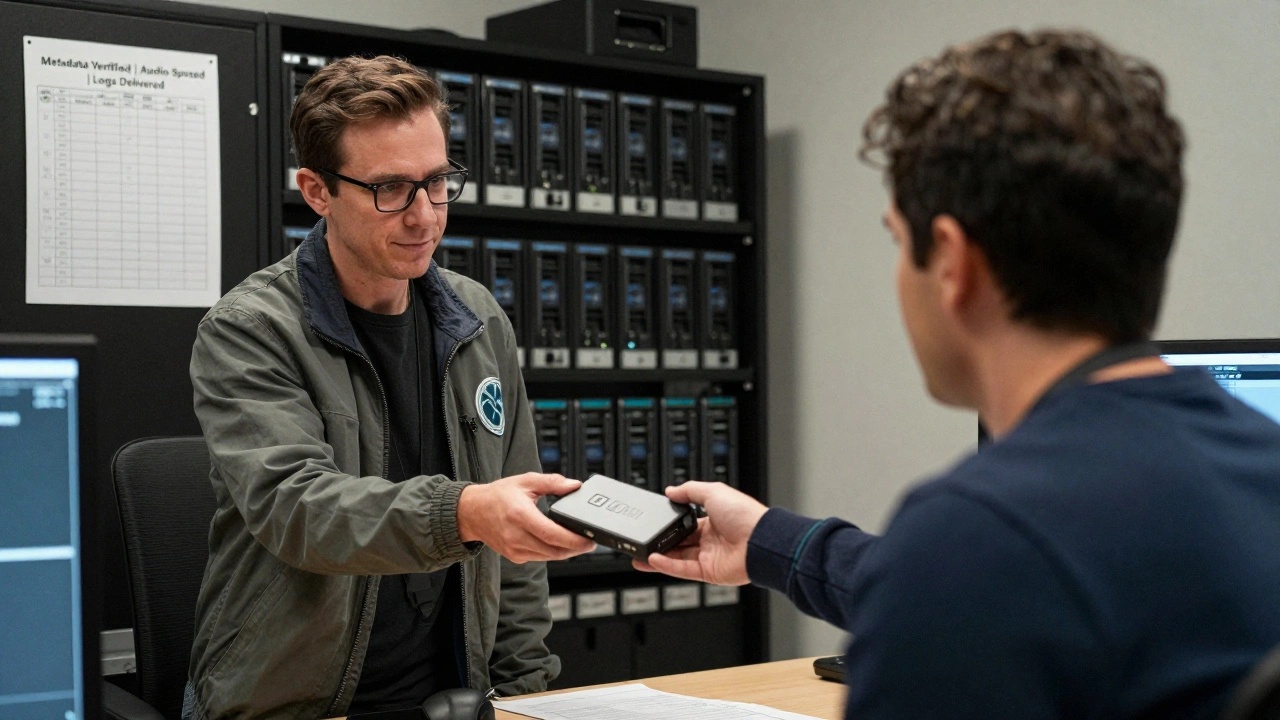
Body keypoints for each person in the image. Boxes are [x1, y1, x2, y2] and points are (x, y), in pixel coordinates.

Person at [639, 29, 1280, 720]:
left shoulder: (977, 538)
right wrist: (775, 542)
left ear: (951, 261)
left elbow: (978, 574)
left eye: (897, 241)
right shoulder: (1257, 468)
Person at [186, 56, 595, 719]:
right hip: (297, 705)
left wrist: (526, 696)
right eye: (390, 189)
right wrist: (466, 512)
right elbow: (300, 509)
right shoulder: (250, 329)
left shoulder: (477, 319)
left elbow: (517, 539)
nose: (424, 216)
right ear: (317, 191)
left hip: (455, 698)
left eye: (436, 182)